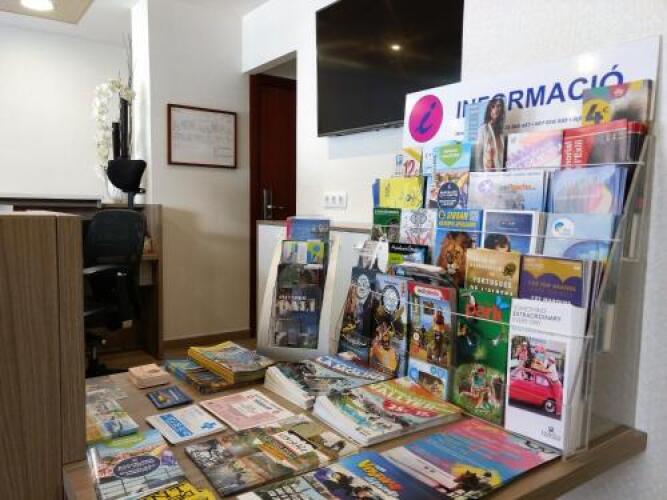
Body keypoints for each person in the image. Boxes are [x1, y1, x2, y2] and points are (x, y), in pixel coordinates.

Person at [475, 97, 506, 171]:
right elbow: (478, 154)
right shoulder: (483, 129)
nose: (496, 109)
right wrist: (480, 172)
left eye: (499, 106)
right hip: (487, 171)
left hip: (501, 171)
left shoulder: (502, 132)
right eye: (493, 106)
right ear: (489, 109)